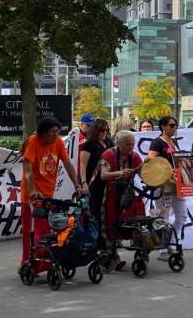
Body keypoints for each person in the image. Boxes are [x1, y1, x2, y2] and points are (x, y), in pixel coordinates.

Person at [20, 116, 83, 273]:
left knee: (48, 230)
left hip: (48, 194)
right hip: (32, 195)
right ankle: (27, 262)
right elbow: (27, 169)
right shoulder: (33, 142)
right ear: (43, 132)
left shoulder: (59, 143)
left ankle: (45, 261)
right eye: (53, 132)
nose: (56, 135)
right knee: (31, 231)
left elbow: (68, 164)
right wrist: (33, 190)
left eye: (58, 132)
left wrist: (77, 185)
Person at [99, 130, 145, 270]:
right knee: (109, 222)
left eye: (132, 144)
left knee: (131, 219)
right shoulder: (108, 154)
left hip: (125, 192)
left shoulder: (135, 156)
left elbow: (143, 174)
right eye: (127, 144)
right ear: (119, 144)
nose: (131, 147)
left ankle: (138, 247)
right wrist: (120, 173)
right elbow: (103, 175)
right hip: (106, 191)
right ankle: (112, 255)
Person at [147, 115, 183, 261]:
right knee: (164, 216)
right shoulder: (156, 143)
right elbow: (151, 163)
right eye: (172, 125)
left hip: (177, 184)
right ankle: (162, 250)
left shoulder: (173, 142)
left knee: (182, 216)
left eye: (176, 125)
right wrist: (165, 174)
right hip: (163, 184)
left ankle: (170, 243)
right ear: (163, 127)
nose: (174, 128)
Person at [78, 119, 110, 248]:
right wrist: (84, 182)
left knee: (106, 213)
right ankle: (97, 243)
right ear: (95, 131)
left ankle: (106, 243)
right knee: (95, 212)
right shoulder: (88, 145)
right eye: (102, 130)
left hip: (107, 182)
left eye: (106, 130)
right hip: (94, 183)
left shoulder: (109, 142)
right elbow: (83, 165)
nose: (104, 133)